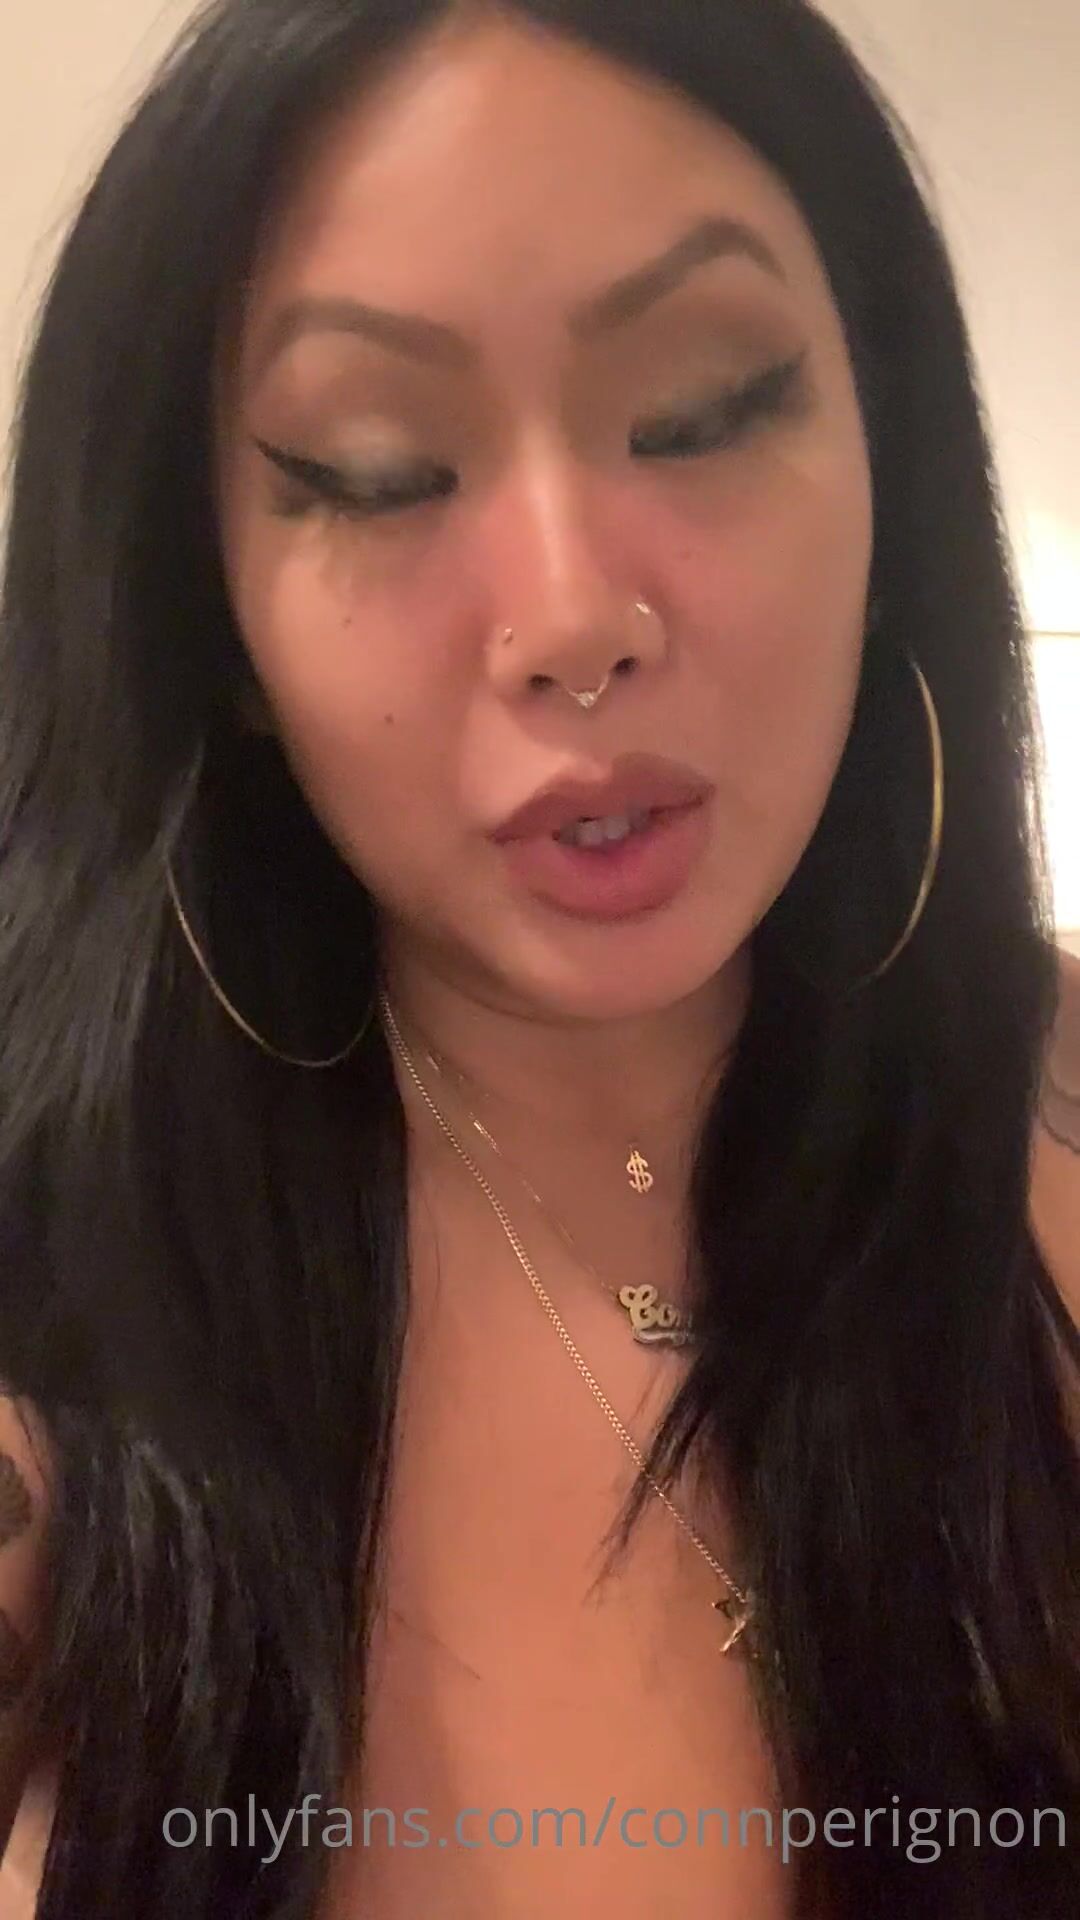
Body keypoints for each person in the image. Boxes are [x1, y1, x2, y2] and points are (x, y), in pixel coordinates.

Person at [0, 0, 1076, 1913]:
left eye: (706, 410)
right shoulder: (58, 1314)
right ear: (213, 622)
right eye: (378, 469)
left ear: (891, 469)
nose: (577, 619)